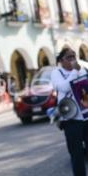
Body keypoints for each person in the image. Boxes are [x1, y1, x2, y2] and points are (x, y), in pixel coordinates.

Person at [51, 47, 88, 176]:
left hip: (86, 116)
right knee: (76, 154)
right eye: (69, 57)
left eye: (74, 56)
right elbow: (65, 87)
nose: (73, 59)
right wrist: (74, 71)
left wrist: (78, 71)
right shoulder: (56, 73)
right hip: (71, 119)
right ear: (61, 60)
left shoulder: (81, 69)